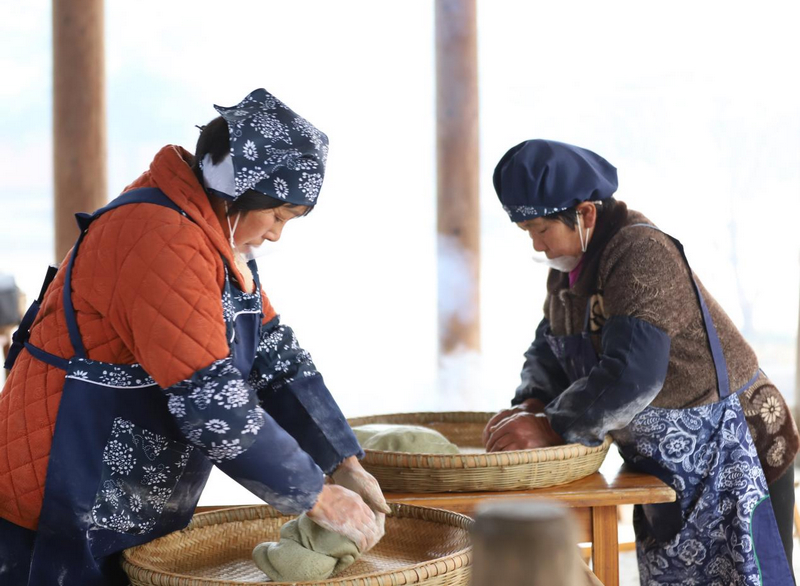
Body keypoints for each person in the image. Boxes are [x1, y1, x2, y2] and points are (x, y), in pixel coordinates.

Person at [0, 88, 389, 585]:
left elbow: (273, 354)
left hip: (121, 487)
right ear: (240, 189)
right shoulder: (156, 235)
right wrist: (315, 495)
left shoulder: (214, 237)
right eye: (277, 215)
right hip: (63, 485)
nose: (275, 235)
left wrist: (342, 461)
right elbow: (210, 400)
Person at [483, 139, 799, 584]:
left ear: (585, 214)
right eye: (528, 234)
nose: (538, 246)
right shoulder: (565, 275)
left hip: (737, 448)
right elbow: (547, 349)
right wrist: (532, 401)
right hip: (671, 466)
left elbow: (634, 374)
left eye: (540, 230)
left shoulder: (638, 254)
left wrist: (551, 425)